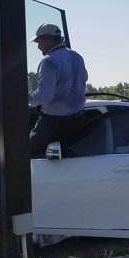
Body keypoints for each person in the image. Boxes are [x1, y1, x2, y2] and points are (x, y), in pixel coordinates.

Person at [28, 22, 88, 158]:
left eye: (39, 41)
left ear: (48, 38)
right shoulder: (76, 56)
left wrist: (26, 98)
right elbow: (84, 78)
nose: (38, 47)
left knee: (26, 156)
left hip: (52, 123)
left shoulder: (49, 61)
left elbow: (44, 96)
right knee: (74, 158)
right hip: (79, 121)